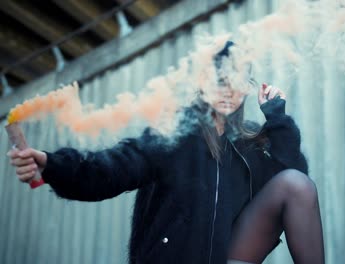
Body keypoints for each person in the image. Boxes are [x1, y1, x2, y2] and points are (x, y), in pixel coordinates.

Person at [8, 41, 325, 264]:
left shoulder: (246, 144)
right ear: (203, 82)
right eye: (221, 78)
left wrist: (278, 118)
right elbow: (110, 169)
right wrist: (52, 165)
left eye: (239, 79)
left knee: (296, 184)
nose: (230, 88)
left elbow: (295, 185)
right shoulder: (174, 135)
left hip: (226, 258)